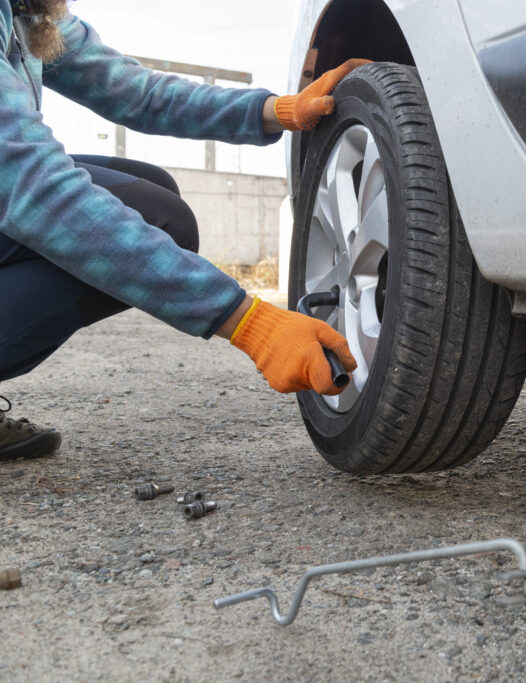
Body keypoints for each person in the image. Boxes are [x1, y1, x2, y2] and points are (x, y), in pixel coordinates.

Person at [0, 0, 365, 460]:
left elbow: (137, 92)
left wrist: (276, 110)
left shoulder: (27, 11)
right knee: (155, 216)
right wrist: (247, 321)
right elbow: (34, 188)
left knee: (155, 194)